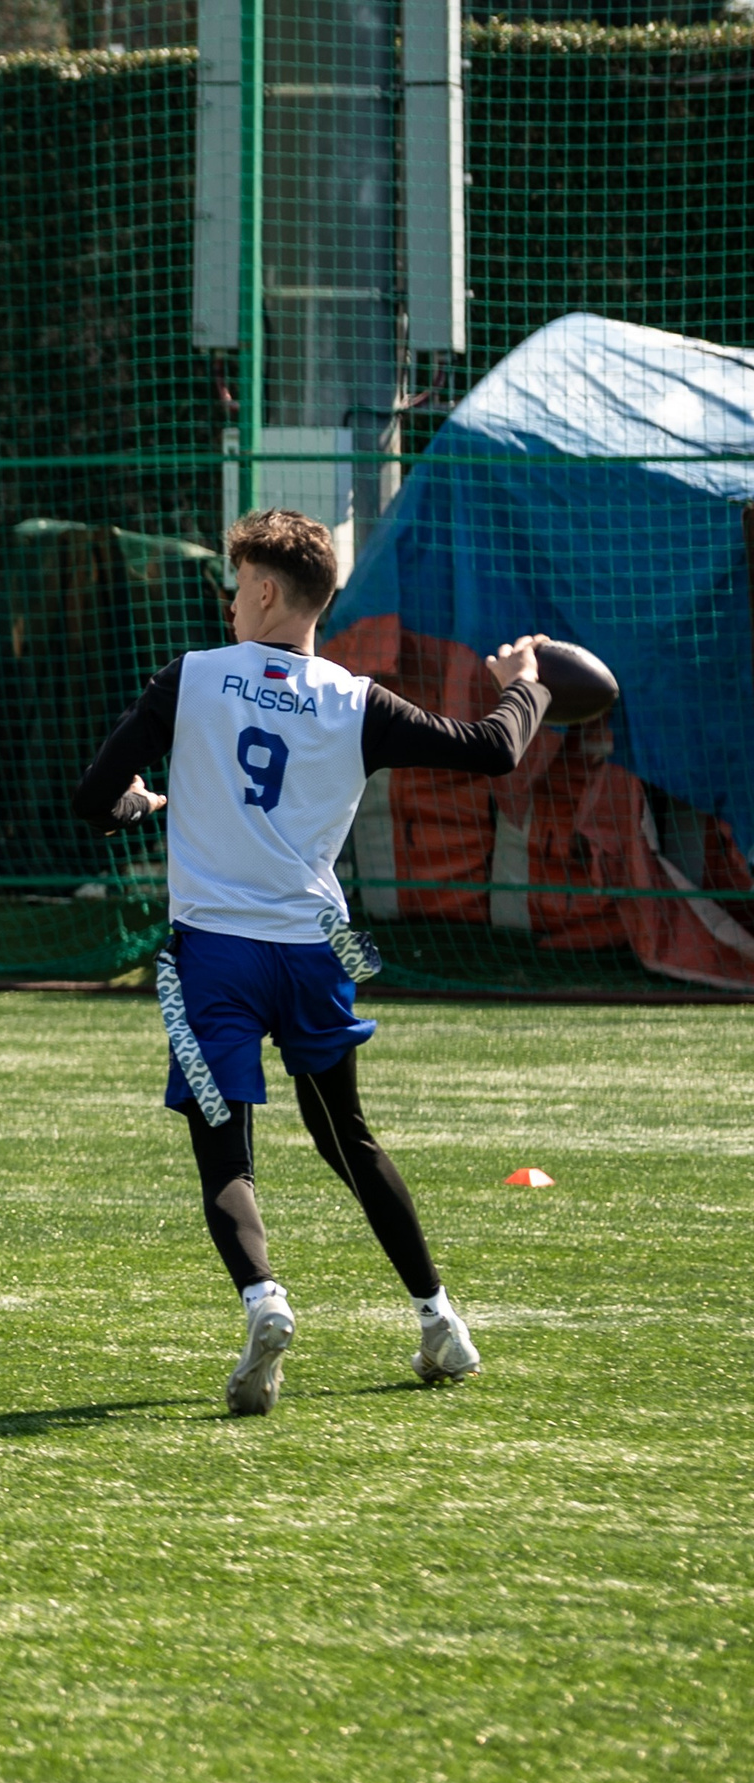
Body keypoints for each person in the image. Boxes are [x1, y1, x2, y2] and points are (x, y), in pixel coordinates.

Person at [72, 509, 551, 1415]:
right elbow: (492, 750)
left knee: (225, 1147)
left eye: (234, 579)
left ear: (261, 590)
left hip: (213, 954)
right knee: (347, 1135)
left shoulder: (192, 679)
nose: (227, 598)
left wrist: (134, 806)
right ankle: (440, 1320)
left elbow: (92, 798)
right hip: (312, 954)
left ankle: (265, 1298)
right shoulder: (356, 699)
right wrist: (526, 684)